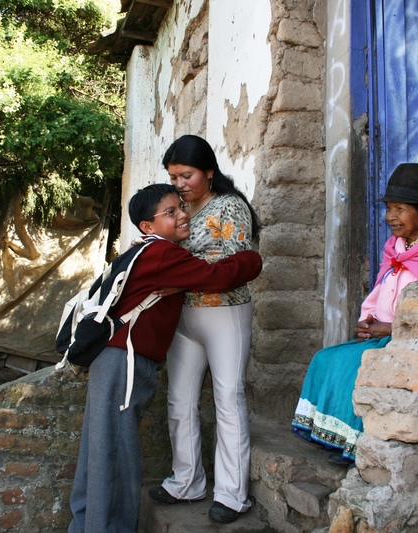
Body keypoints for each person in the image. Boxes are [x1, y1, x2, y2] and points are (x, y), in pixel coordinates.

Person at [68, 184, 262, 533]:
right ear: (148, 226)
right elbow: (215, 275)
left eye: (181, 208)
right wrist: (252, 258)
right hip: (123, 360)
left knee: (99, 447)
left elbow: (187, 276)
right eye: (170, 212)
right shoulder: (164, 256)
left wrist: (183, 283)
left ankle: (87, 524)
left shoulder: (148, 251)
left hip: (114, 357)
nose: (182, 215)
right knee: (117, 452)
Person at [291, 163, 418, 465]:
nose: (391, 217)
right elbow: (382, 289)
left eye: (400, 209)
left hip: (417, 346)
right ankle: (336, 438)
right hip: (383, 336)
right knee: (325, 359)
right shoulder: (398, 247)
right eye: (390, 208)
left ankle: (357, 445)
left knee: (357, 366)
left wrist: (392, 329)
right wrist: (368, 321)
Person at [148, 135, 262, 524]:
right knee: (179, 400)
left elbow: (233, 265)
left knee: (228, 399)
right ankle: (187, 481)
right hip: (183, 318)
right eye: (173, 176)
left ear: (209, 172)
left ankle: (232, 495)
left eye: (187, 174)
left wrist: (180, 275)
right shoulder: (176, 210)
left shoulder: (229, 207)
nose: (179, 183)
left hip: (224, 314)